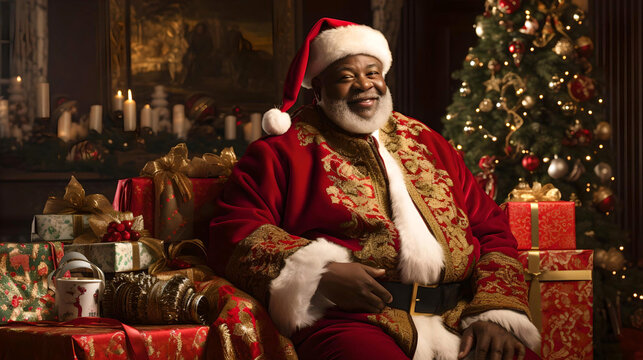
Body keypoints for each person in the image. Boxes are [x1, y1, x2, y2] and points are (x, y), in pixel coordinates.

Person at [209, 18, 540, 360]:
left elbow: (492, 230)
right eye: (346, 76)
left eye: (372, 72)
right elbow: (234, 231)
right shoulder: (281, 152)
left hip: (458, 317)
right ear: (319, 88)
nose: (364, 85)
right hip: (352, 322)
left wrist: (494, 314)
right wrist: (320, 273)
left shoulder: (429, 141)